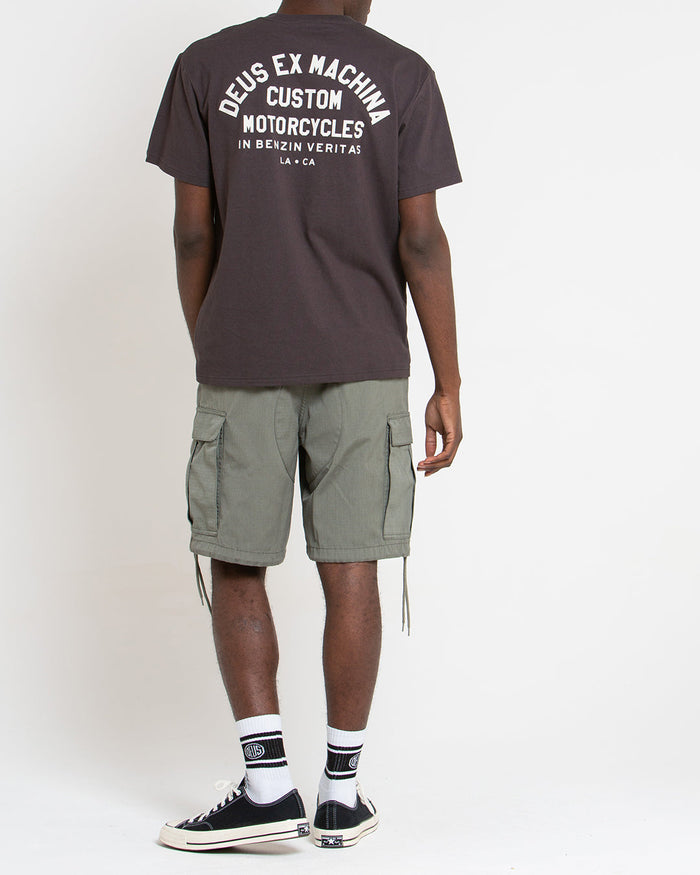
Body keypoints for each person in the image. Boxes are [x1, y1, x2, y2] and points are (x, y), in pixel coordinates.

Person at [145, 0, 463, 852]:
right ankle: (339, 796)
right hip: (366, 358)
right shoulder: (402, 74)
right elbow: (422, 240)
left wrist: (215, 337)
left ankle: (266, 785)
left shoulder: (207, 64)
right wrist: (449, 380)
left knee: (238, 560)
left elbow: (191, 233)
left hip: (243, 354)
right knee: (351, 566)